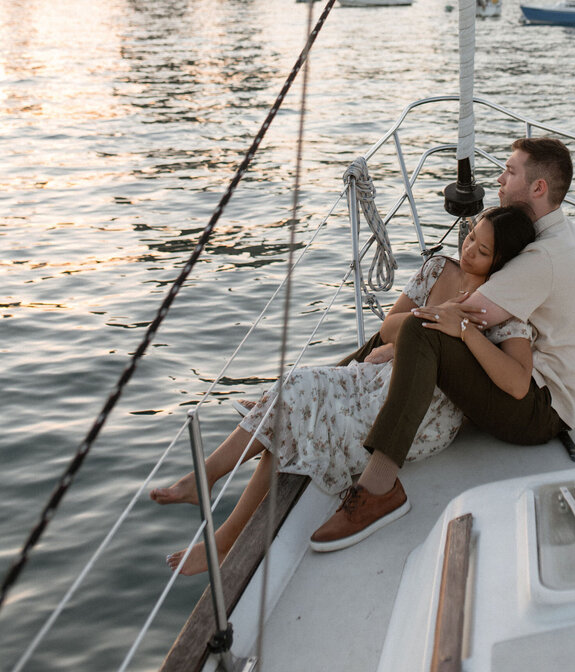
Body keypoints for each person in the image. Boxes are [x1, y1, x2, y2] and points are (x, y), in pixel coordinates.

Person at [309, 136, 575, 553]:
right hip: (547, 401)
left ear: (537, 188)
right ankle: (326, 380)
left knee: (421, 326)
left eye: (510, 172)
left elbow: (447, 318)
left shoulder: (539, 259)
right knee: (420, 319)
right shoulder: (566, 234)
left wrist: (393, 344)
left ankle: (379, 486)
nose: (499, 180)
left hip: (534, 410)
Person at [150, 205, 537, 574]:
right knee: (297, 383)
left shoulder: (497, 306)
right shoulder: (438, 269)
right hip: (379, 378)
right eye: (470, 237)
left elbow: (518, 381)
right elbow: (388, 328)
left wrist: (464, 329)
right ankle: (206, 477)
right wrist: (434, 315)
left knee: (300, 425)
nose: (468, 249)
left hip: (423, 414)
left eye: (482, 250)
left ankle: (224, 540)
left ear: (500, 262)